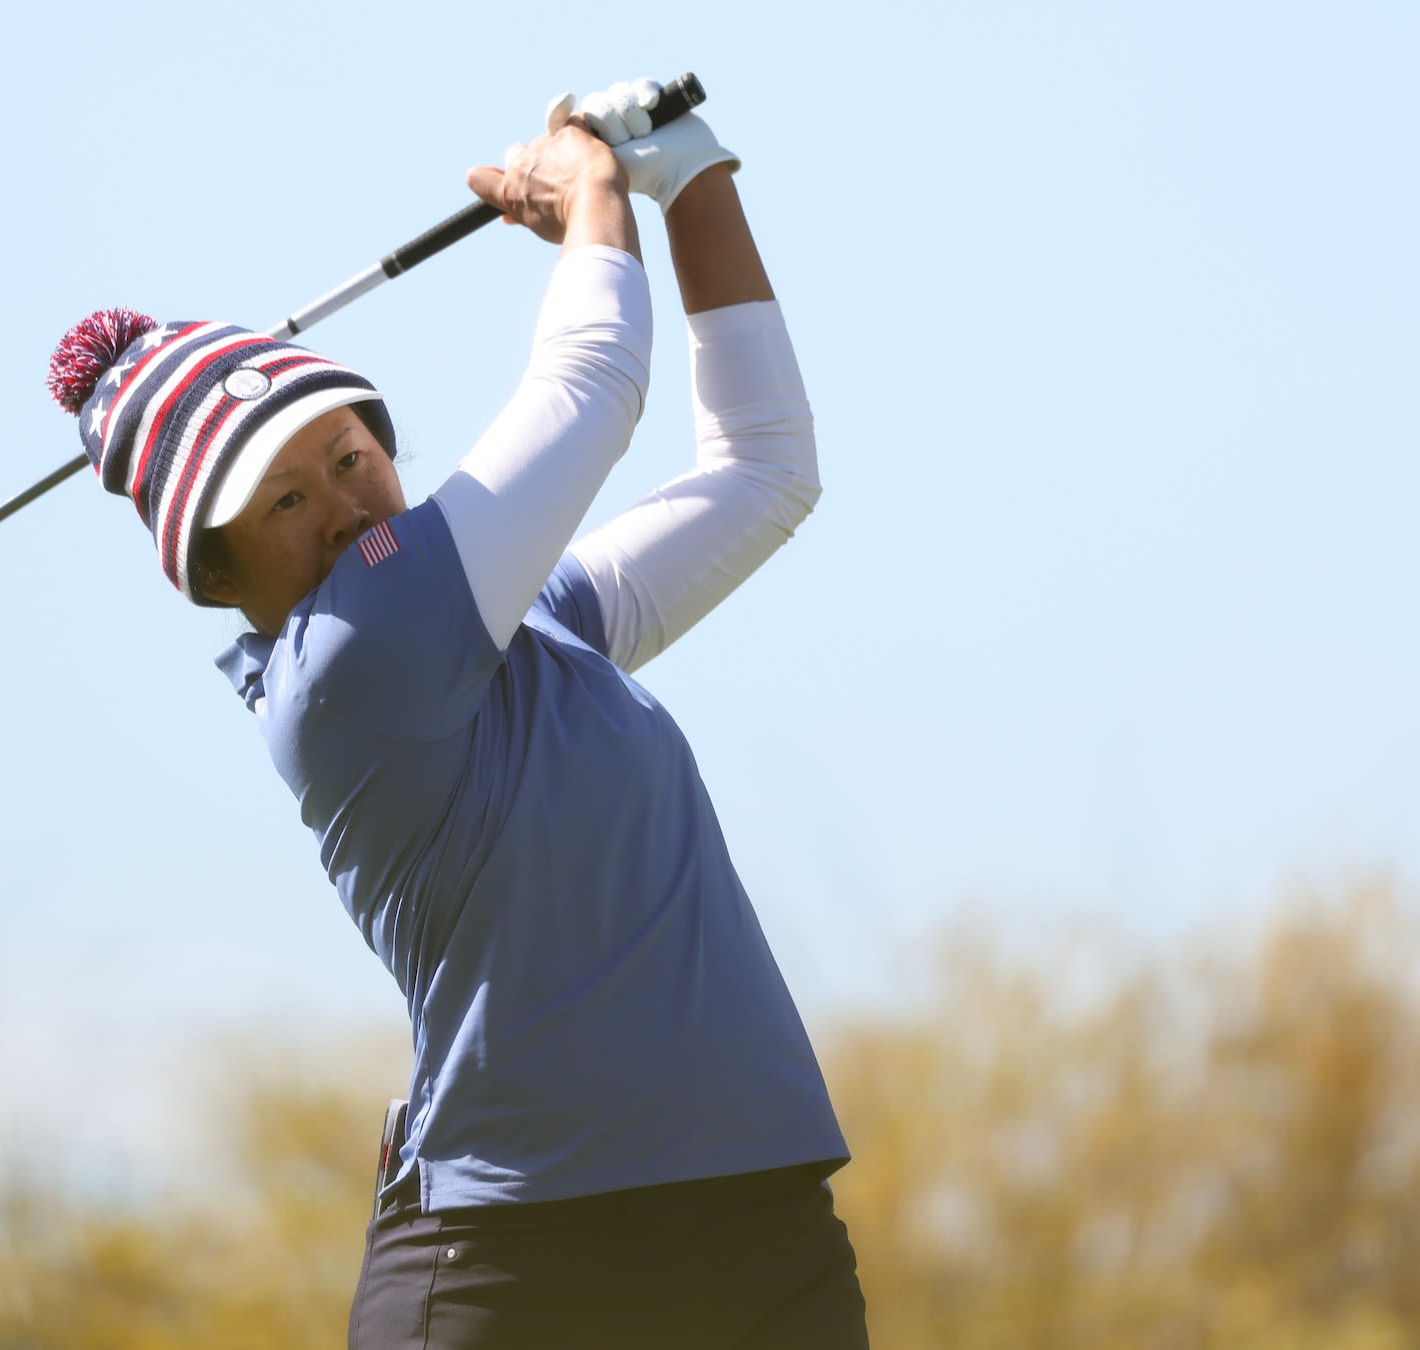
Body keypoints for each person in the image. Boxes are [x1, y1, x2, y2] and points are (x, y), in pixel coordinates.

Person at [45, 77, 865, 1348]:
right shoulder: (348, 660)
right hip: (519, 1269)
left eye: (348, 456)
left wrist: (695, 184)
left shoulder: (531, 629)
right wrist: (590, 192)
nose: (344, 508)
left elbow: (764, 469)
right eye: (282, 504)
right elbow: (594, 382)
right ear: (225, 586)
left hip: (755, 1225)